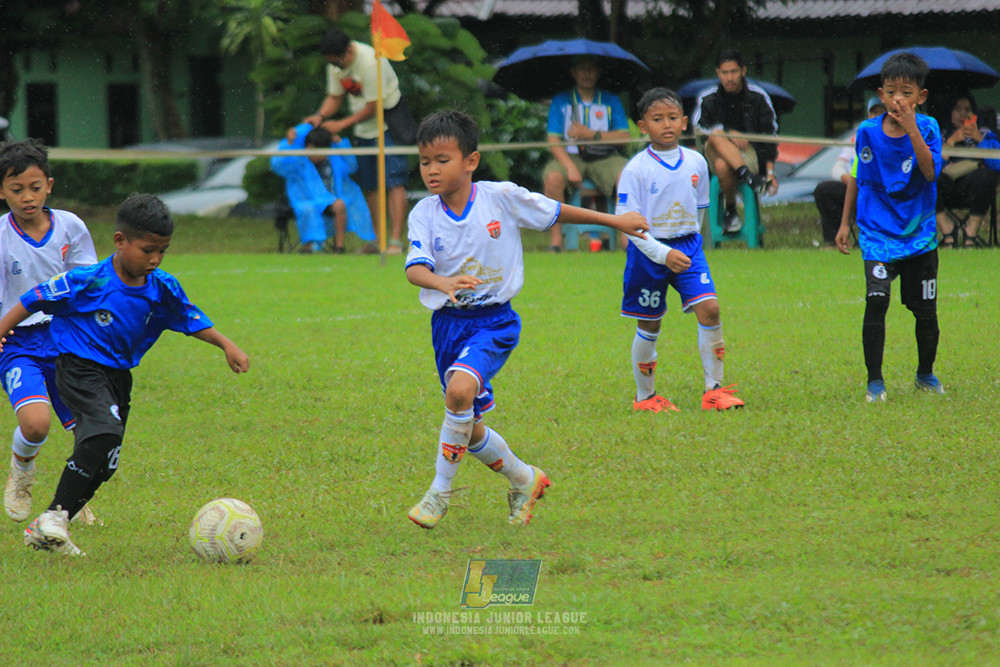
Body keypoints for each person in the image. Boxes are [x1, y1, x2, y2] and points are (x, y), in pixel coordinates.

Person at [403, 110, 648, 529]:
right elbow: (414, 270)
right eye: (425, 161)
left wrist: (615, 221)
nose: (432, 170)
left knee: (459, 392)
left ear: (471, 161)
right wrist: (441, 282)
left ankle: (439, 494)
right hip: (446, 325)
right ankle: (524, 477)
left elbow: (557, 211)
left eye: (442, 160)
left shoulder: (502, 197)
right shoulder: (424, 213)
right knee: (469, 425)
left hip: (494, 322)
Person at [0, 194, 250, 556]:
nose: (155, 259)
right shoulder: (89, 281)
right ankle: (54, 516)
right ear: (120, 241)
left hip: (118, 376)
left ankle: (49, 527)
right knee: (103, 432)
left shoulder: (162, 287)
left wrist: (227, 345)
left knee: (105, 463)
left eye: (163, 251)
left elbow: (189, 319)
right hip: (78, 367)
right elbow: (32, 300)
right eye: (148, 250)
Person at [615, 88, 745, 413]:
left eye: (673, 118)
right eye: (657, 119)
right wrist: (662, 253)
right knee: (649, 324)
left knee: (711, 310)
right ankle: (645, 398)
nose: (666, 125)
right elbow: (627, 224)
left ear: (685, 122)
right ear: (643, 126)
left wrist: (686, 242)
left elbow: (699, 210)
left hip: (688, 248)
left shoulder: (697, 162)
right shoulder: (635, 170)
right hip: (648, 253)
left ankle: (714, 391)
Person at [0, 139, 100, 525]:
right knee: (36, 423)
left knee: (88, 431)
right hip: (18, 341)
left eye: (35, 187)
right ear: (2, 191)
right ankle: (21, 473)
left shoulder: (71, 227)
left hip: (67, 340)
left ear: (50, 184)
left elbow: (88, 283)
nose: (27, 198)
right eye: (17, 189)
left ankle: (70, 498)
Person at [835, 52, 943, 403]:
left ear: (920, 98)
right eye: (892, 92)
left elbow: (929, 172)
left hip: (919, 235)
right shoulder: (866, 132)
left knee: (925, 310)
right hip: (876, 233)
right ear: (881, 94)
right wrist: (844, 223)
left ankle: (925, 374)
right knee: (876, 301)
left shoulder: (929, 128)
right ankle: (875, 383)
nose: (899, 100)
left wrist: (912, 128)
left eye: (907, 93)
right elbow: (858, 177)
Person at [302, 28, 413, 255]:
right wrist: (320, 117)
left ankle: (395, 242)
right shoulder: (336, 64)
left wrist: (341, 124)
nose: (336, 67)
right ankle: (378, 240)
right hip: (364, 129)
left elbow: (374, 107)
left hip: (388, 123)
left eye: (339, 62)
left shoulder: (371, 63)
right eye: (332, 63)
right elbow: (335, 97)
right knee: (370, 185)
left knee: (394, 182)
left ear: (350, 51)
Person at [543, 55, 631, 252]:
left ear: (598, 72)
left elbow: (624, 137)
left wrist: (591, 134)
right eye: (581, 69)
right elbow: (553, 141)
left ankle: (627, 238)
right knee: (553, 178)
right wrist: (570, 166)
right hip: (570, 156)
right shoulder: (561, 101)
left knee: (627, 175)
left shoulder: (610, 100)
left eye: (591, 69)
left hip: (605, 157)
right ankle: (556, 241)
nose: (586, 74)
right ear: (573, 72)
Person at [692, 49, 779, 234]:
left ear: (743, 71)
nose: (729, 77)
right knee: (716, 136)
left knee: (723, 165)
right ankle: (750, 179)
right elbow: (698, 129)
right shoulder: (708, 99)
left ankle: (730, 211)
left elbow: (770, 137)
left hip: (751, 155)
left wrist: (770, 172)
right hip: (714, 153)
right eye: (724, 72)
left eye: (734, 72)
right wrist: (728, 134)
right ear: (718, 73)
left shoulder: (758, 97)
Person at [271, 122, 376, 254]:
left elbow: (351, 166)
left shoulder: (333, 161)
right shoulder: (297, 161)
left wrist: (341, 145)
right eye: (313, 150)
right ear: (306, 146)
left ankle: (339, 247)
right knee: (308, 209)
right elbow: (277, 164)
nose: (318, 155)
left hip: (328, 200)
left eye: (321, 151)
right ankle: (309, 245)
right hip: (305, 200)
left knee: (340, 204)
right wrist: (288, 143)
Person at [813, 97, 887, 248]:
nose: (877, 117)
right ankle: (834, 240)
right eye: (874, 113)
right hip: (858, 186)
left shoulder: (894, 137)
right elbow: (838, 168)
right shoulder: (860, 136)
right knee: (824, 190)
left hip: (882, 190)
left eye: (881, 113)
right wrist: (848, 179)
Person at [933, 91, 1000, 248]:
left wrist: (979, 140)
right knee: (927, 177)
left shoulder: (986, 135)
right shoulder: (938, 135)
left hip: (975, 190)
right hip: (946, 189)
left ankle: (971, 232)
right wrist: (951, 141)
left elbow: (997, 165)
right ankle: (947, 230)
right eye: (957, 109)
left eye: (967, 109)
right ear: (950, 112)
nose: (962, 114)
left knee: (986, 176)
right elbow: (932, 166)